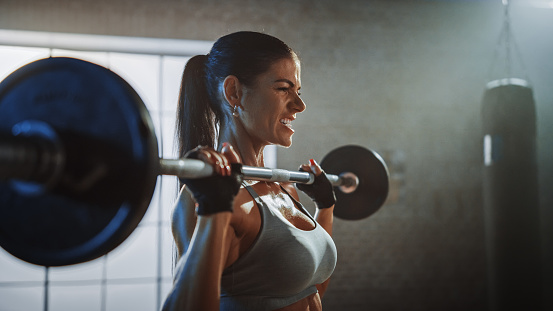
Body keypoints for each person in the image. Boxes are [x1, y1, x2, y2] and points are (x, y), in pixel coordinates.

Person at [162, 31, 337, 311]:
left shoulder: (286, 188)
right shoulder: (204, 200)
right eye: (283, 88)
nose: (300, 105)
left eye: (298, 91)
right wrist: (214, 210)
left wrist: (324, 207)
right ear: (234, 92)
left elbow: (310, 289)